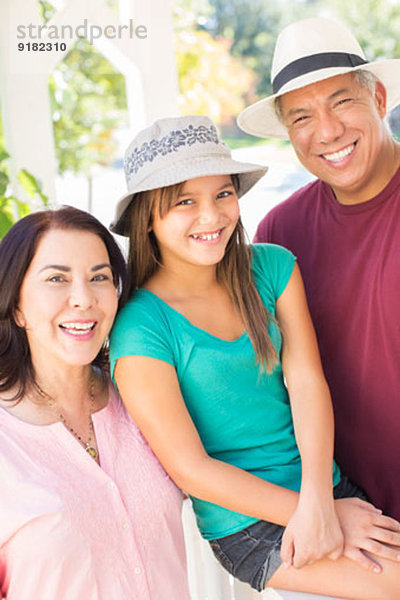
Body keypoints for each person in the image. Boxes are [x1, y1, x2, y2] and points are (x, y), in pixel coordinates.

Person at [108, 115, 400, 598]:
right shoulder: (141, 328)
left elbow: (307, 384)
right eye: (185, 202)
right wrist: (312, 512)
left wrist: (321, 501)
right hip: (248, 524)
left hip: (325, 488)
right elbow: (192, 469)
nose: (212, 215)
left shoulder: (271, 267)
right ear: (148, 219)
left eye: (223, 194)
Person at [237, 16, 400, 524]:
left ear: (378, 100)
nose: (327, 132)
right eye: (302, 117)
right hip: (354, 521)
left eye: (342, 101)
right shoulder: (279, 234)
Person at [0, 206, 190, 600]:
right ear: (16, 305)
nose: (83, 299)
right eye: (57, 278)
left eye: (99, 277)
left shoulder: (145, 398)